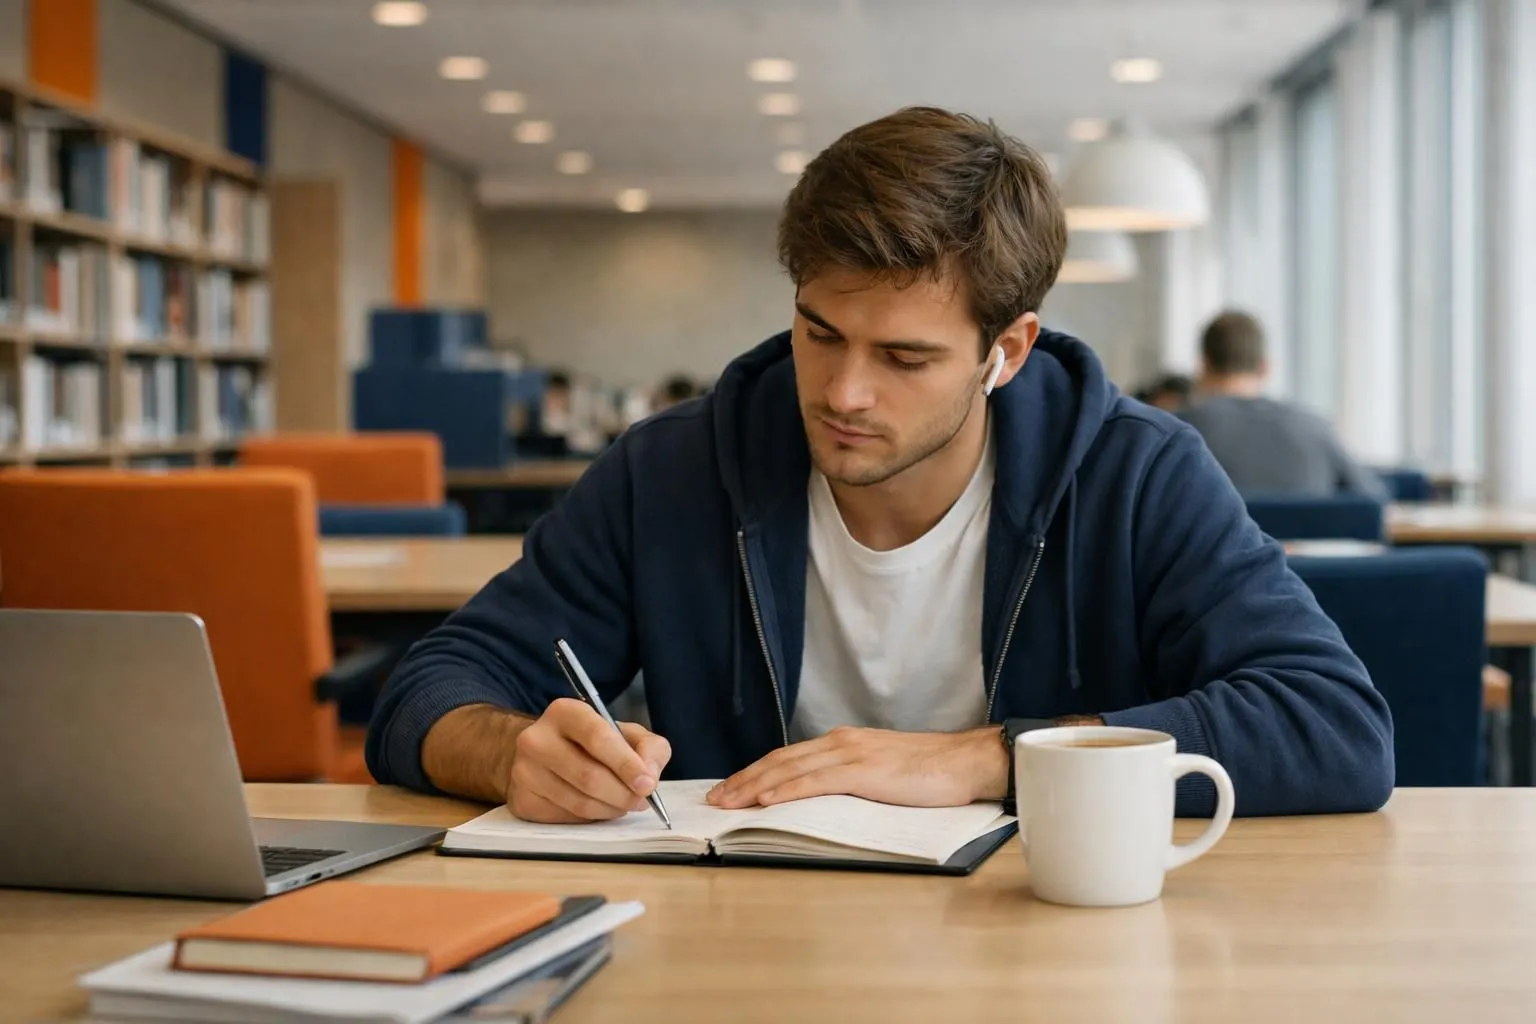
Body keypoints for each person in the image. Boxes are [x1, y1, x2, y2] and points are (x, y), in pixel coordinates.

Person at [366, 108, 1392, 824]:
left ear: (1010, 348)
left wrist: (992, 756)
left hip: (1044, 950)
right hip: (738, 946)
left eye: (904, 356)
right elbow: (430, 688)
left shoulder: (1135, 471)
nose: (844, 392)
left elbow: (1335, 724)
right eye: (820, 332)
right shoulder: (673, 467)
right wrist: (513, 752)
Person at [1179, 312, 1388, 500]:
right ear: (1264, 367)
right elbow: (1372, 499)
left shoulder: (1176, 433)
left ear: (1203, 365)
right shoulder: (1314, 427)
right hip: (1310, 540)